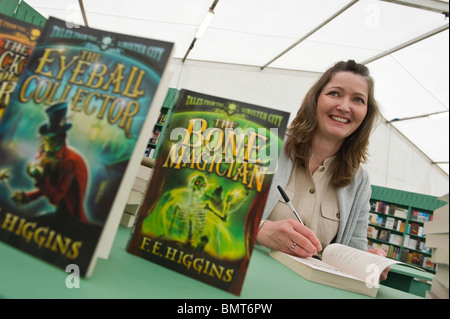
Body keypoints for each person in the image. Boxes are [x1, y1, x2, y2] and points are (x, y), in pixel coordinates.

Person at [256, 60, 389, 280]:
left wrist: (366, 261)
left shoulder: (360, 180)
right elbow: (218, 214)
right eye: (335, 93)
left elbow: (354, 247)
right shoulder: (268, 144)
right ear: (316, 99)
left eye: (358, 99)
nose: (345, 107)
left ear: (366, 112)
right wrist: (259, 229)